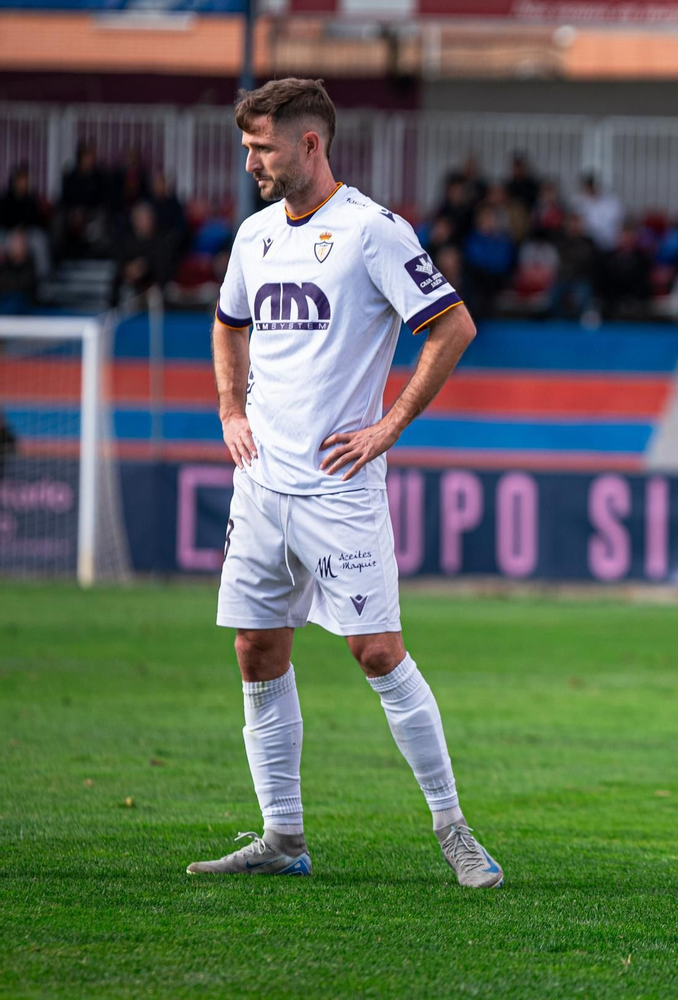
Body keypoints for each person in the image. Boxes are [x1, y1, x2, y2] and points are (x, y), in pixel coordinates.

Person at [193, 78, 502, 888]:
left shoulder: (371, 232)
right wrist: (230, 407)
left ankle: (454, 830)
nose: (252, 160)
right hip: (261, 486)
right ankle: (282, 836)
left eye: (263, 146)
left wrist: (387, 427)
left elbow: (452, 326)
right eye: (249, 146)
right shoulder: (254, 237)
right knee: (257, 649)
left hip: (338, 488)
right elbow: (228, 325)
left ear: (310, 144)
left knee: (377, 652)